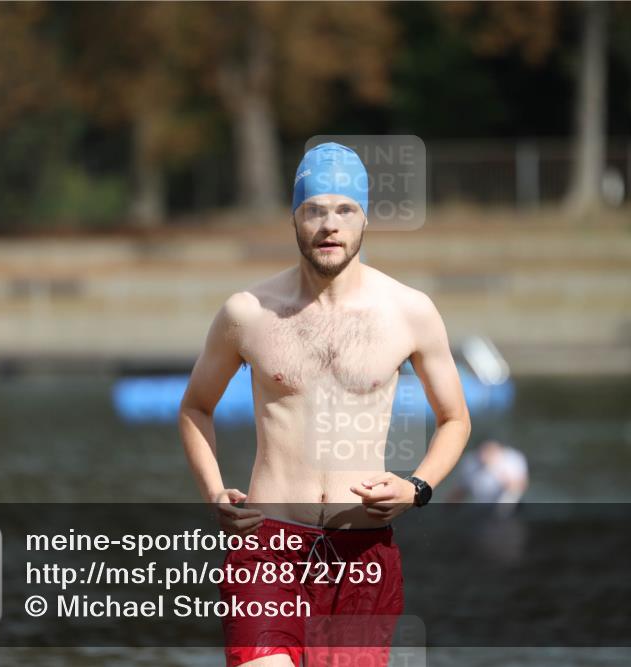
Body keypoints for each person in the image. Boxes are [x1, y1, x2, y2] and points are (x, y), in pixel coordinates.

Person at [179, 142, 472, 667]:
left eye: (345, 210)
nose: (329, 225)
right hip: (267, 550)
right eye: (314, 210)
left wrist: (417, 488)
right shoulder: (247, 313)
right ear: (294, 217)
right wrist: (213, 491)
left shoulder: (409, 312)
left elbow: (454, 419)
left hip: (363, 556)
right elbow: (195, 406)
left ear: (366, 218)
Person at [448, 440, 529, 514]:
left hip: (508, 504)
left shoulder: (512, 459)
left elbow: (520, 486)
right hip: (482, 507)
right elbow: (459, 491)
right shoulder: (470, 463)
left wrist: (497, 470)